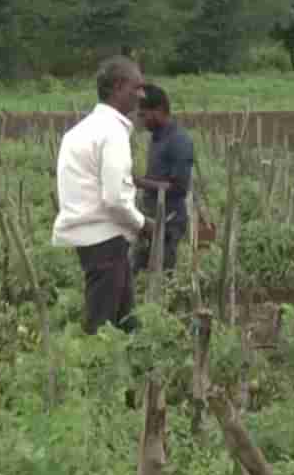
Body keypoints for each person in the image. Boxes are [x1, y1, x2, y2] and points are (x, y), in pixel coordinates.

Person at [51, 55, 153, 335]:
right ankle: (91, 373)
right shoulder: (112, 133)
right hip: (104, 239)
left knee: (125, 318)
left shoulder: (79, 132)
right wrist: (144, 224)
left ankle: (135, 369)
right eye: (137, 87)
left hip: (94, 238)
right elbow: (115, 198)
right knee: (100, 325)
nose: (141, 95)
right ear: (118, 87)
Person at [132, 84, 195, 275]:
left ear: (159, 110)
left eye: (143, 115)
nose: (140, 120)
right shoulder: (157, 137)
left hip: (170, 222)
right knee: (140, 271)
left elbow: (179, 187)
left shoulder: (178, 140)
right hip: (151, 219)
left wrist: (139, 182)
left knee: (163, 276)